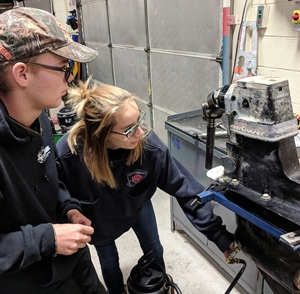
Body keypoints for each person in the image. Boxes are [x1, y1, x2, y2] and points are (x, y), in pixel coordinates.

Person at [57, 79, 235, 294]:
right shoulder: (68, 154)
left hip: (136, 204)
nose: (140, 133)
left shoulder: (149, 147)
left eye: (139, 121)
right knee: (110, 262)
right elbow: (56, 190)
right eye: (129, 129)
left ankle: (159, 286)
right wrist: (71, 210)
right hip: (100, 219)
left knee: (154, 248)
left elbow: (186, 189)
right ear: (100, 133)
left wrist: (218, 235)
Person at [0, 7, 107, 294]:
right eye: (63, 67)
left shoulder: (40, 116)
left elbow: (49, 176)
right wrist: (47, 239)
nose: (69, 78)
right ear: (22, 74)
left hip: (69, 262)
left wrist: (67, 207)